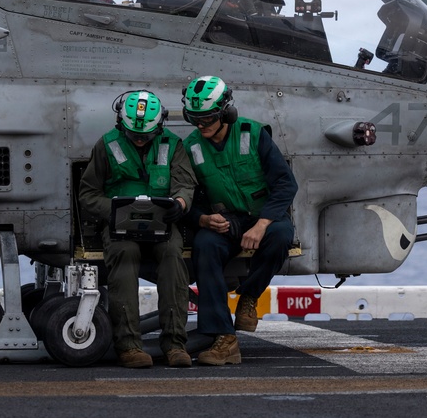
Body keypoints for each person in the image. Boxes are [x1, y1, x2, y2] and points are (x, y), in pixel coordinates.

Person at [181, 75, 298, 366]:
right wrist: (204, 219)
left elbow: (286, 184)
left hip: (264, 216)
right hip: (226, 221)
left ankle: (249, 296)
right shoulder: (191, 147)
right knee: (205, 245)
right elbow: (187, 197)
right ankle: (224, 339)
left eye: (207, 118)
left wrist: (262, 224)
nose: (201, 125)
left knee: (281, 237)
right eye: (194, 118)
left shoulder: (254, 133)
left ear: (226, 113)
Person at [78, 90, 197, 369]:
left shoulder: (173, 145)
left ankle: (175, 344)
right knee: (125, 255)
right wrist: (115, 211)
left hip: (163, 224)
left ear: (160, 125)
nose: (141, 139)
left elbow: (185, 184)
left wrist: (180, 203)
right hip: (120, 227)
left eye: (146, 135)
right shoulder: (106, 145)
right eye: (135, 135)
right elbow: (88, 193)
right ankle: (129, 345)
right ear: (122, 125)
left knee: (171, 256)